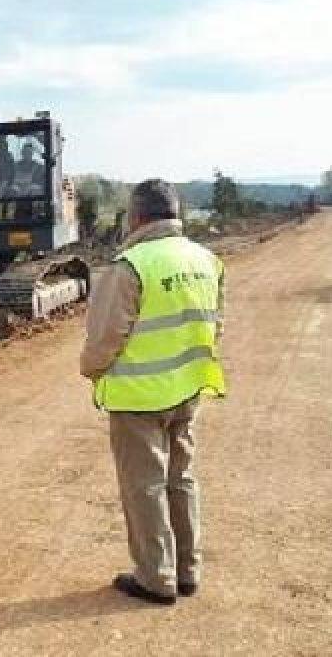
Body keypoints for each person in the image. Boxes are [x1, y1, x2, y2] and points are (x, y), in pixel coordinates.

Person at [80, 179, 226, 606]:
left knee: (144, 485)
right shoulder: (207, 260)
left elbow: (104, 338)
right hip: (188, 386)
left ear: (138, 216)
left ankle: (155, 577)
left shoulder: (130, 267)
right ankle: (187, 570)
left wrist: (91, 370)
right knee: (180, 478)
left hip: (138, 396)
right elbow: (216, 325)